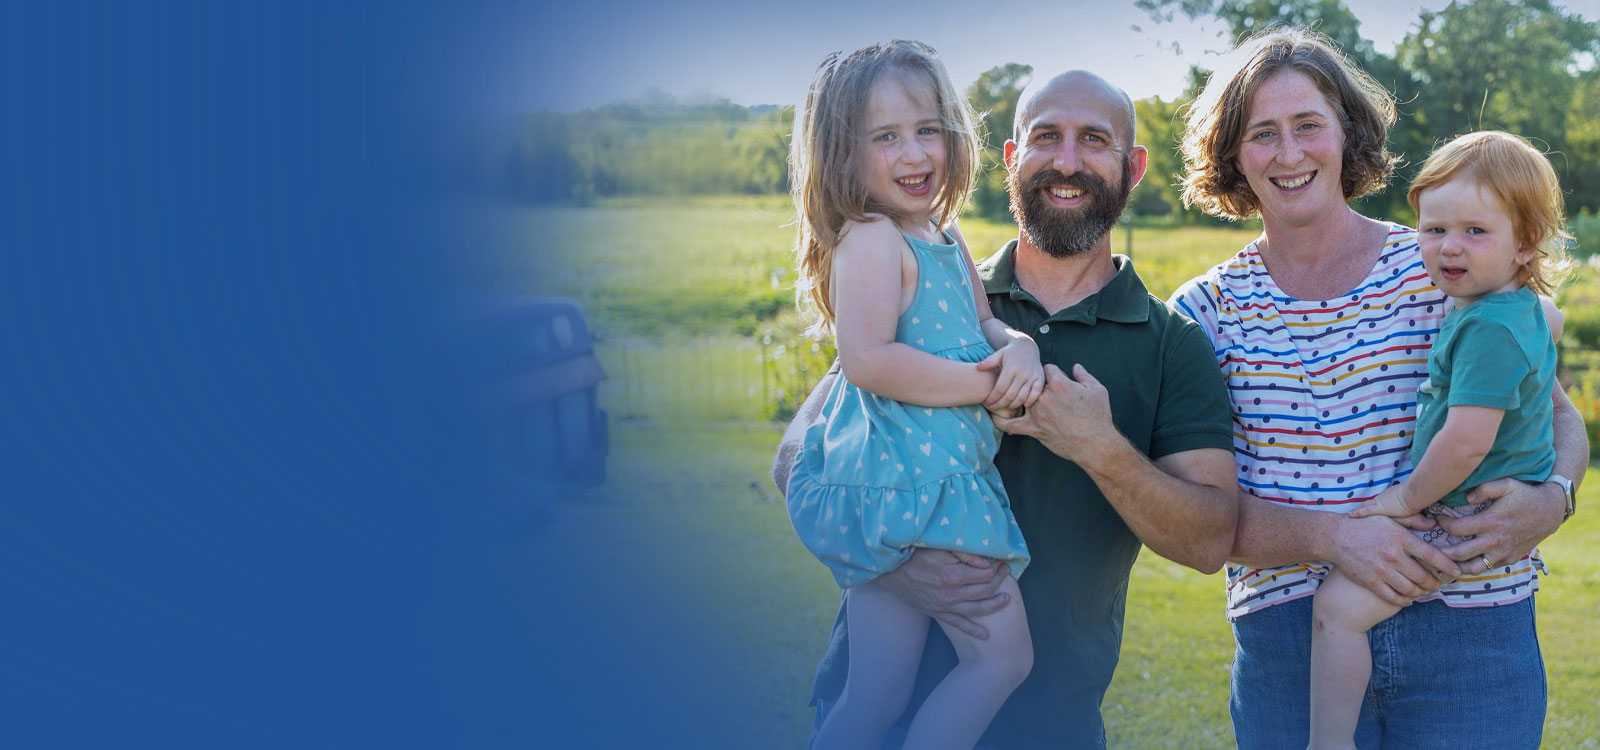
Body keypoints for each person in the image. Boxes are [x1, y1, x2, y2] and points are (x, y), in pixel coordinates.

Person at [775, 68, 1239, 750]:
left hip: (1052, 730)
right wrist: (899, 565)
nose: (1068, 161)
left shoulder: (1171, 344)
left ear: (1133, 167)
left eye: (1094, 140)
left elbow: (1209, 541)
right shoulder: (913, 294)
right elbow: (797, 462)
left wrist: (1098, 444)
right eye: (1046, 137)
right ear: (1011, 157)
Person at [1168, 28, 1588, 749]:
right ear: (1232, 154)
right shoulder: (1203, 313)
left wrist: (1553, 500)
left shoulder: (1444, 260)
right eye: (1262, 134)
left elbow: (1559, 417)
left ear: (1346, 133)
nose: (1291, 153)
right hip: (1296, 642)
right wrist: (1336, 536)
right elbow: (1203, 517)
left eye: (1309, 126)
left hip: (1473, 634)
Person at [783, 40, 1044, 750]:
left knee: (877, 693)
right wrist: (983, 388)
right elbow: (867, 360)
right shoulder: (871, 238)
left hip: (923, 485)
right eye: (886, 137)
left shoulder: (942, 235)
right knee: (1002, 657)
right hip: (915, 490)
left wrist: (1017, 348)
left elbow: (984, 320)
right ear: (844, 152)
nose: (914, 154)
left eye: (928, 129)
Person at [1307, 130, 1573, 749]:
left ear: (1526, 243)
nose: (1449, 248)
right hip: (1471, 504)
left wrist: (1403, 501)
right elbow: (1551, 320)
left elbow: (1464, 445)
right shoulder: (1518, 308)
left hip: (1456, 511)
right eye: (1435, 229)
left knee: (1336, 612)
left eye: (1476, 232)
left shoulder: (1487, 331)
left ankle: (1328, 741)